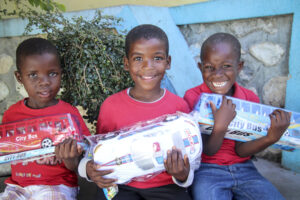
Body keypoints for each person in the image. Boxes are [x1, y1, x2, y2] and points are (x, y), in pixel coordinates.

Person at [78, 24, 194, 200]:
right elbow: (99, 151)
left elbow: (188, 161)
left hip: (165, 187)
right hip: (122, 185)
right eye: (138, 58)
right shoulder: (111, 106)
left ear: (168, 62)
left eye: (157, 58)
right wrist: (88, 168)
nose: (148, 67)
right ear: (126, 63)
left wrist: (182, 175)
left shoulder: (179, 107)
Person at [184, 32, 291, 200]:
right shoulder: (193, 98)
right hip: (207, 170)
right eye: (209, 67)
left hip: (245, 169)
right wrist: (220, 127)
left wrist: (270, 138)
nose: (218, 74)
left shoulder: (249, 99)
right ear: (200, 67)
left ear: (239, 66)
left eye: (226, 66)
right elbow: (206, 152)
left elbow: (241, 151)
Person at [0, 37, 90, 200]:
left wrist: (72, 160)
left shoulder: (69, 114)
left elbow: (86, 156)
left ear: (60, 74)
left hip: (57, 186)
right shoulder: (11, 115)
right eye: (33, 75)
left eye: (52, 73)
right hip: (18, 187)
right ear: (19, 78)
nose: (44, 82)